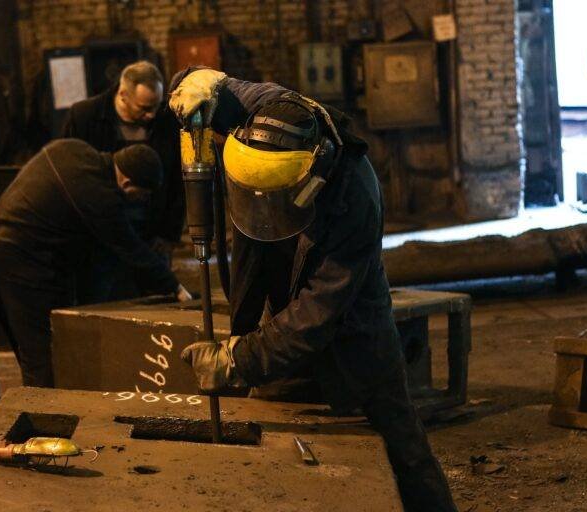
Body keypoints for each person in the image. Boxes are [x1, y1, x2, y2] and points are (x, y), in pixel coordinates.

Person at [172, 69, 457, 512]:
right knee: (281, 447)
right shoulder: (265, 110)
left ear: (311, 178)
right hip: (277, 305)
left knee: (401, 444)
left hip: (354, 324)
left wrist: (238, 359)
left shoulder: (355, 195)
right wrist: (199, 84)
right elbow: (211, 88)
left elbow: (317, 313)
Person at [0, 139, 192, 388]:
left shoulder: (72, 149)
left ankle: (40, 409)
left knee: (28, 348)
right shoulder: (100, 196)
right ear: (127, 183)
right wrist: (175, 287)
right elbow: (130, 248)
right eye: (140, 197)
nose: (139, 202)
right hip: (21, 261)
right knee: (43, 354)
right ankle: (45, 416)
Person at [62, 60, 184, 303]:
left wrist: (169, 234)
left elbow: (177, 180)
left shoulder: (165, 122)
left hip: (151, 234)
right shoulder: (85, 117)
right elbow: (70, 175)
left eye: (156, 107)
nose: (150, 115)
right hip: (100, 236)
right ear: (122, 94)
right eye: (143, 108)